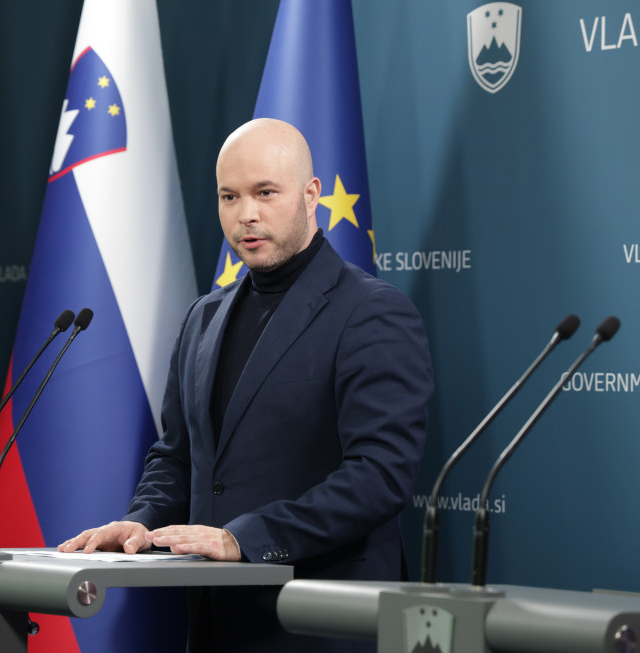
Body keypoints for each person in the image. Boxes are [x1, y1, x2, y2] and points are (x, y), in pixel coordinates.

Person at [59, 118, 433, 652]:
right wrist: (139, 523)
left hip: (321, 623)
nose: (246, 214)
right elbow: (177, 458)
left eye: (265, 193)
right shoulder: (202, 318)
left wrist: (246, 539)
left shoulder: (372, 313)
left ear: (310, 196)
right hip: (215, 623)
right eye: (229, 197)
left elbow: (380, 476)